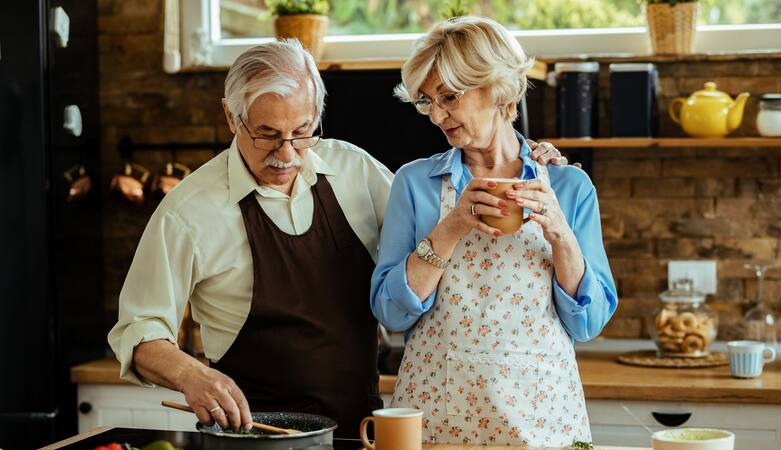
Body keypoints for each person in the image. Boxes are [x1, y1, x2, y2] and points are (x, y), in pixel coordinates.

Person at [107, 38, 568, 442]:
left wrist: (527, 161)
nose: (287, 153)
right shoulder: (188, 211)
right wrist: (191, 374)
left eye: (302, 132)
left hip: (359, 432)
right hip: (253, 438)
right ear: (231, 117)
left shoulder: (355, 172)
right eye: (267, 134)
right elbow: (137, 331)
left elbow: (444, 230)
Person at [370, 17, 618, 447]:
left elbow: (589, 322)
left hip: (540, 418)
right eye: (427, 101)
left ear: (499, 88)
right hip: (439, 418)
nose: (437, 116)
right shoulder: (415, 183)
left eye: (449, 97)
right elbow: (390, 313)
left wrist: (561, 234)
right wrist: (450, 228)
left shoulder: (567, 186)